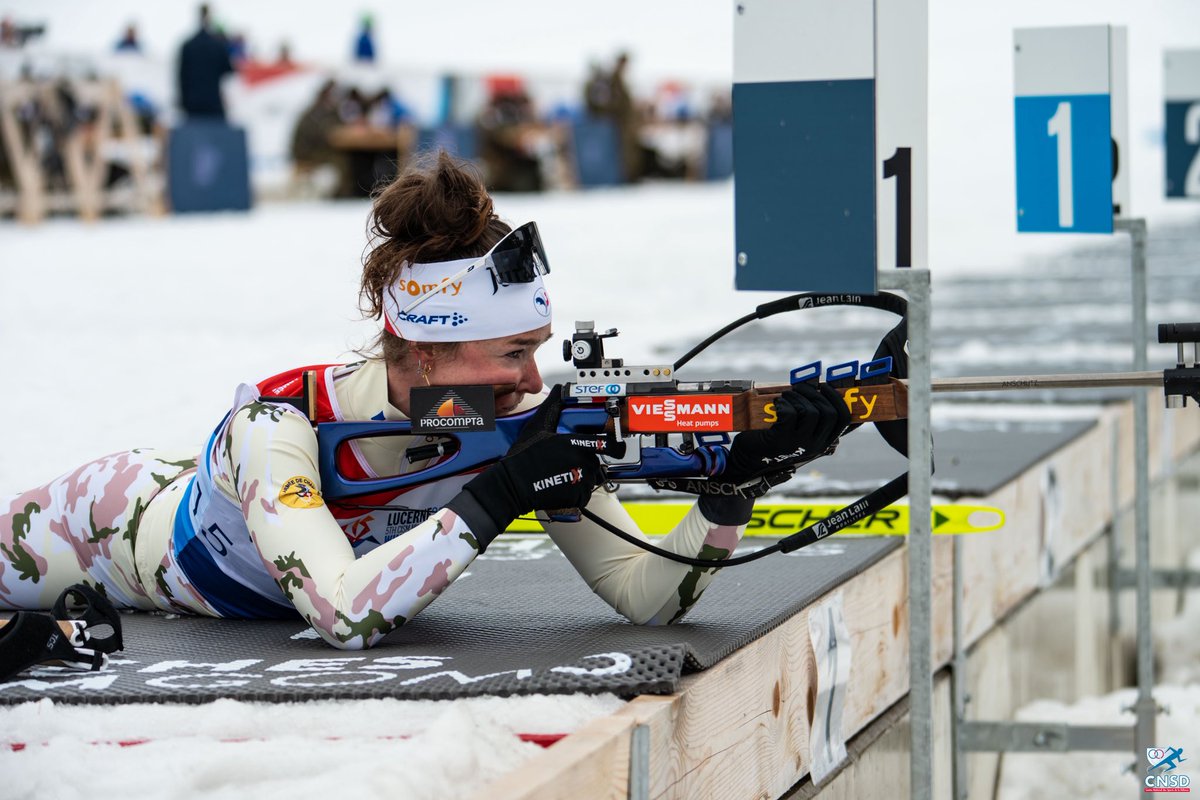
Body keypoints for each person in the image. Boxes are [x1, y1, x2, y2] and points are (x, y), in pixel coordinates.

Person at [0, 153, 850, 653]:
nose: (530, 381)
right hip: (102, 530)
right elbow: (342, 614)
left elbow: (646, 597)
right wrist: (506, 491)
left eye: (538, 354)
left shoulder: (496, 426)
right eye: (512, 354)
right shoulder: (278, 426)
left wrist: (731, 492)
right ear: (423, 348)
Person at [177, 4, 234, 120]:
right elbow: (229, 71)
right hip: (214, 104)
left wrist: (183, 102)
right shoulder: (218, 45)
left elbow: (181, 77)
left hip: (192, 105)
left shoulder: (188, 45)